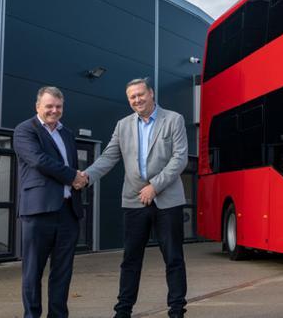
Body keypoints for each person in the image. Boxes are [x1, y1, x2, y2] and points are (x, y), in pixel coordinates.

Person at [82, 78, 189, 318]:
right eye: (132, 97)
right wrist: (86, 177)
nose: (137, 100)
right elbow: (108, 157)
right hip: (134, 200)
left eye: (141, 94)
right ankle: (123, 311)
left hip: (167, 200)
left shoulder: (174, 120)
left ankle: (176, 311)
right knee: (130, 259)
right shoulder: (123, 126)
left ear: (151, 93)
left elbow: (180, 159)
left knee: (173, 258)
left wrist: (155, 186)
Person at [14, 86, 86, 318]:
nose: (54, 110)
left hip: (68, 212)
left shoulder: (67, 133)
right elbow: (39, 161)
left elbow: (72, 167)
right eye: (49, 106)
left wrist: (80, 179)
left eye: (58, 106)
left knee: (62, 272)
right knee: (33, 272)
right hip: (38, 212)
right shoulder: (25, 130)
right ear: (38, 107)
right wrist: (72, 176)